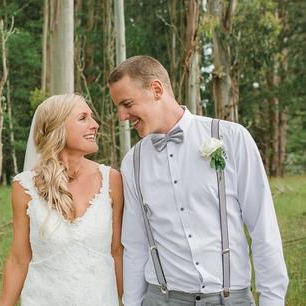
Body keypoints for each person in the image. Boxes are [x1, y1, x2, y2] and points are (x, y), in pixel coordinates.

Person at [108, 56, 288, 306]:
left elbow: (263, 228)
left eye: (127, 104)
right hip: (161, 299)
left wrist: (272, 301)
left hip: (229, 298)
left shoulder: (232, 138)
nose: (122, 116)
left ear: (156, 90)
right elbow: (135, 245)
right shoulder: (133, 162)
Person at [0, 94, 124, 306]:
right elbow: (19, 259)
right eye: (83, 118)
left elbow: (117, 252)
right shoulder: (24, 186)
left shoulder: (111, 180)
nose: (95, 125)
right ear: (57, 128)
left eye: (92, 118)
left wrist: (128, 301)